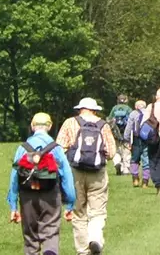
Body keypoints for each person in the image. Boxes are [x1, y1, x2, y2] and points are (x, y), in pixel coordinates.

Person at [8, 112, 76, 255]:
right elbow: (67, 176)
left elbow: (14, 177)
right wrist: (70, 203)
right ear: (50, 126)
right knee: (50, 231)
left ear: (32, 127)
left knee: (30, 235)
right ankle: (50, 251)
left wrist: (13, 205)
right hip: (51, 193)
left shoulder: (23, 148)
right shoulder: (56, 148)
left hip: (27, 195)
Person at [57, 98, 114, 255]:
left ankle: (83, 250)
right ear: (94, 110)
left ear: (80, 109)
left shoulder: (70, 123)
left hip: (75, 172)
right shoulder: (103, 125)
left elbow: (60, 148)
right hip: (98, 173)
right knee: (97, 211)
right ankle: (95, 238)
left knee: (78, 212)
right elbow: (111, 152)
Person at [122, 100, 148, 188]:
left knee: (134, 159)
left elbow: (129, 127)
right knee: (146, 160)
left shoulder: (133, 113)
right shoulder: (149, 112)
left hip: (136, 139)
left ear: (136, 107)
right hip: (147, 139)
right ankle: (145, 182)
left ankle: (135, 179)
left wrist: (126, 138)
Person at [107, 94, 131, 176]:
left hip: (116, 134)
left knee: (117, 150)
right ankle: (126, 170)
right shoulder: (128, 109)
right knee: (126, 151)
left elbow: (109, 120)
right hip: (126, 134)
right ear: (126, 100)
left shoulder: (114, 108)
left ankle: (117, 163)